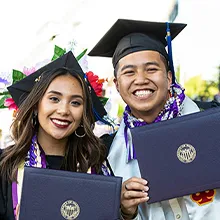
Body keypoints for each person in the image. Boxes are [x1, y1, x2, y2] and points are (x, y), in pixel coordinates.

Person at [89, 18, 220, 219]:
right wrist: (124, 210)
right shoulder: (106, 155)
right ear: (117, 84)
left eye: (151, 69)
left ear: (168, 78)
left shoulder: (212, 121)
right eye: (129, 72)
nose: (141, 79)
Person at [0, 51, 111, 219]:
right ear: (36, 105)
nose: (64, 110)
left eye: (75, 102)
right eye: (54, 99)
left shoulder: (97, 165)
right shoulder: (5, 165)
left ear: (83, 114)